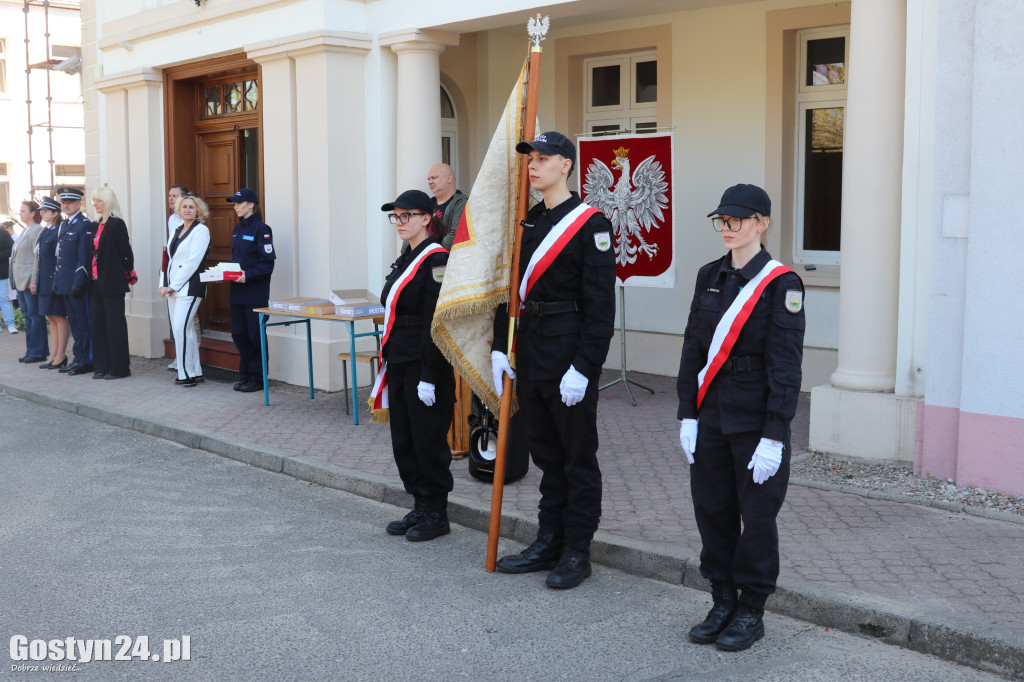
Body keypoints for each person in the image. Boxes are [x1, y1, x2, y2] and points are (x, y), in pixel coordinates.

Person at [676, 184, 805, 652]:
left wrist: (776, 433)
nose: (729, 228)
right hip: (710, 414)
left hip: (754, 419)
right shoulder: (709, 275)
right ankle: (722, 598)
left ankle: (752, 609)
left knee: (757, 517)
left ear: (762, 223)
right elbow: (693, 348)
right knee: (712, 511)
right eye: (723, 221)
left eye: (738, 220)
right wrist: (686, 413)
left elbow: (786, 367)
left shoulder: (781, 284)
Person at [490, 131, 616, 589]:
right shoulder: (530, 223)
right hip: (532, 347)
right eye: (531, 159)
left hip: (567, 353)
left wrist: (585, 367)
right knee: (545, 454)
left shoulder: (590, 225)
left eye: (543, 159)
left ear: (566, 165)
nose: (533, 166)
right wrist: (500, 347)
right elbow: (511, 291)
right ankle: (549, 540)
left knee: (576, 457)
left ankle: (577, 550)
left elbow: (601, 309)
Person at [373, 189, 454, 542]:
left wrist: (428, 374)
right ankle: (420, 505)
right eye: (396, 216)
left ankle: (437, 512)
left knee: (427, 440)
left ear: (427, 218)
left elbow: (434, 322)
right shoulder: (407, 257)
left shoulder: (436, 259)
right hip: (400, 360)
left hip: (425, 363)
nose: (400, 222)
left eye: (407, 215)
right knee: (404, 439)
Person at [158, 194, 210, 387]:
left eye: (192, 207)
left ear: (198, 211)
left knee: (180, 327)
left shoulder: (201, 231)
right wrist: (163, 284)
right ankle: (195, 371)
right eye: (184, 206)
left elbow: (193, 262)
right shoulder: (176, 230)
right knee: (184, 329)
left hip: (191, 286)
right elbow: (168, 260)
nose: (187, 209)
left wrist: (173, 285)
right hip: (172, 287)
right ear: (179, 210)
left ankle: (185, 373)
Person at [226, 188, 274, 393]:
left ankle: (258, 377)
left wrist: (248, 275)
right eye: (234, 203)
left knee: (255, 336)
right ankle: (245, 374)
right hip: (236, 293)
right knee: (239, 334)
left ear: (251, 205)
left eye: (239, 203)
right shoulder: (237, 229)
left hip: (254, 294)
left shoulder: (262, 229)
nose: (235, 206)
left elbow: (267, 265)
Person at [87, 187, 136, 380]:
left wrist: (127, 273)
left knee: (115, 325)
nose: (95, 205)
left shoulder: (117, 224)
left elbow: (126, 252)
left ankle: (120, 368)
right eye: (93, 201)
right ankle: (102, 365)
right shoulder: (96, 224)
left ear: (108, 201)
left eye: (99, 201)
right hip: (95, 282)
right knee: (98, 324)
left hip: (113, 282)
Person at [52, 186, 93, 376]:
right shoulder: (64, 225)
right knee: (74, 323)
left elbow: (83, 257)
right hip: (64, 282)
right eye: (63, 202)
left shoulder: (84, 224)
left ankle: (85, 359)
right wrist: (57, 279)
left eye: (70, 202)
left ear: (78, 203)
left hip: (76, 283)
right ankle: (78, 357)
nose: (66, 205)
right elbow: (61, 256)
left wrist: (79, 280)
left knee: (82, 322)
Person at [10, 201, 48, 361]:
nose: (20, 213)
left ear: (33, 213)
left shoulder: (37, 230)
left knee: (34, 315)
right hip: (20, 281)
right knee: (27, 315)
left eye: (23, 211)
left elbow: (37, 258)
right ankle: (30, 350)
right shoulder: (25, 230)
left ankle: (38, 352)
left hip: (28, 281)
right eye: (20, 211)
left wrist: (34, 280)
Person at [35, 198, 70, 370]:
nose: (42, 213)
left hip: (54, 280)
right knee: (51, 317)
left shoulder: (58, 231)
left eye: (45, 211)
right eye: (41, 211)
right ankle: (53, 353)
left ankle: (61, 354)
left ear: (56, 213)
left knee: (59, 316)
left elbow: (59, 257)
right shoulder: (45, 231)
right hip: (44, 280)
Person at [164, 184, 188, 373]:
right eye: (169, 196)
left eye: (175, 196)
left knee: (189, 320)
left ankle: (189, 358)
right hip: (172, 273)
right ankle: (179, 357)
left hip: (187, 275)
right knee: (175, 319)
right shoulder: (172, 219)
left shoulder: (193, 223)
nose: (171, 198)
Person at [426, 163, 467, 251]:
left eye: (434, 178)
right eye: (429, 179)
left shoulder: (462, 203)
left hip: (445, 261)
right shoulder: (426, 205)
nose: (430, 181)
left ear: (449, 179)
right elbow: (413, 232)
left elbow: (455, 235)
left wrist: (430, 254)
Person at [0, 220, 16, 333]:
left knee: (5, 299)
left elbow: (12, 249)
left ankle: (10, 324)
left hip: (3, 273)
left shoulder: (3, 234)